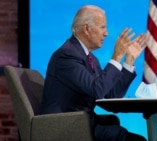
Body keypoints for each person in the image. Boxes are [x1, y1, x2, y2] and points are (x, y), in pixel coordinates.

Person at [39, 4, 147, 141]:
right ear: (86, 29)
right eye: (102, 27)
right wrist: (116, 56)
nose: (106, 33)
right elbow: (96, 90)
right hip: (64, 128)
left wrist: (129, 60)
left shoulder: (89, 58)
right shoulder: (66, 56)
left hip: (81, 124)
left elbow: (110, 94)